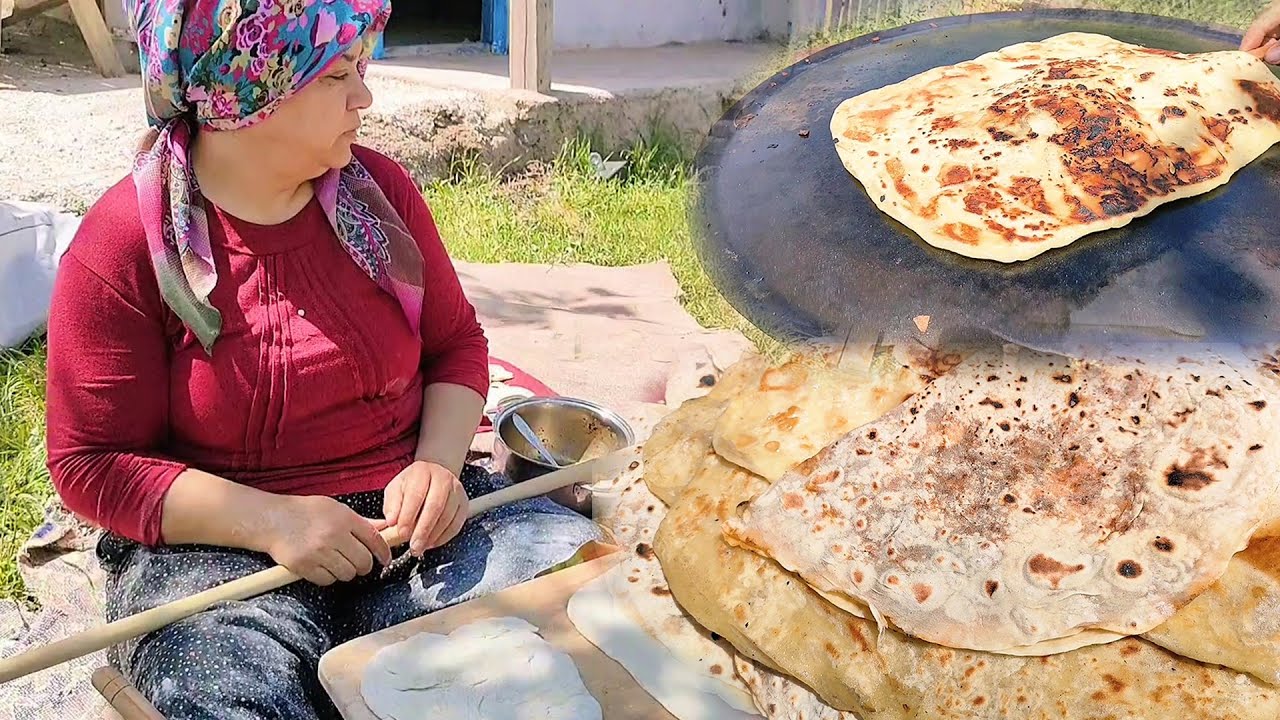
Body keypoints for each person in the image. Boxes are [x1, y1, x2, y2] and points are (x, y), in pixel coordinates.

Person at [42, 0, 603, 717]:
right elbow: (93, 464)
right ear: (248, 95)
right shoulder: (123, 246)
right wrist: (273, 522)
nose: (365, 96)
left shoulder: (380, 196)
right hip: (221, 559)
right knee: (220, 692)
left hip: (409, 533)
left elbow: (456, 346)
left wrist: (435, 464)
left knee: (583, 594)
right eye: (338, 75)